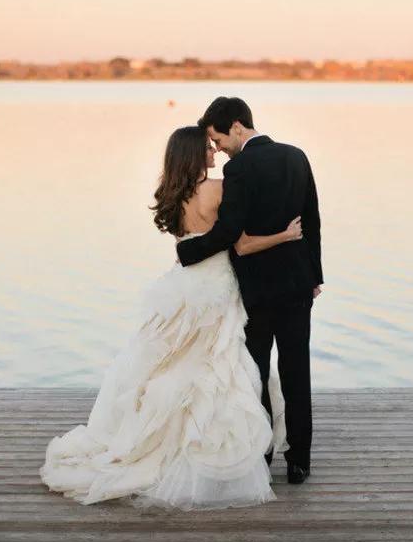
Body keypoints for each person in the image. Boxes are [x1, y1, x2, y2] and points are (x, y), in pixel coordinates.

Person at [39, 125, 297, 510]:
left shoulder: (173, 195)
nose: (214, 152)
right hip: (216, 286)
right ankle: (201, 455)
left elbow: (188, 246)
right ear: (195, 154)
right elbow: (240, 238)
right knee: (217, 365)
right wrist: (285, 234)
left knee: (171, 363)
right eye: (208, 148)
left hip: (183, 286)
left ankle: (158, 442)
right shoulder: (216, 188)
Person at [176, 97, 322, 485]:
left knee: (254, 373)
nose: (219, 148)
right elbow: (313, 219)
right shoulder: (297, 156)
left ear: (236, 126)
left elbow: (228, 233)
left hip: (255, 288)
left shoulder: (239, 169)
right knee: (296, 370)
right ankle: (300, 460)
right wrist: (315, 275)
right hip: (297, 284)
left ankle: (262, 453)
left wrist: (186, 250)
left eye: (218, 138)